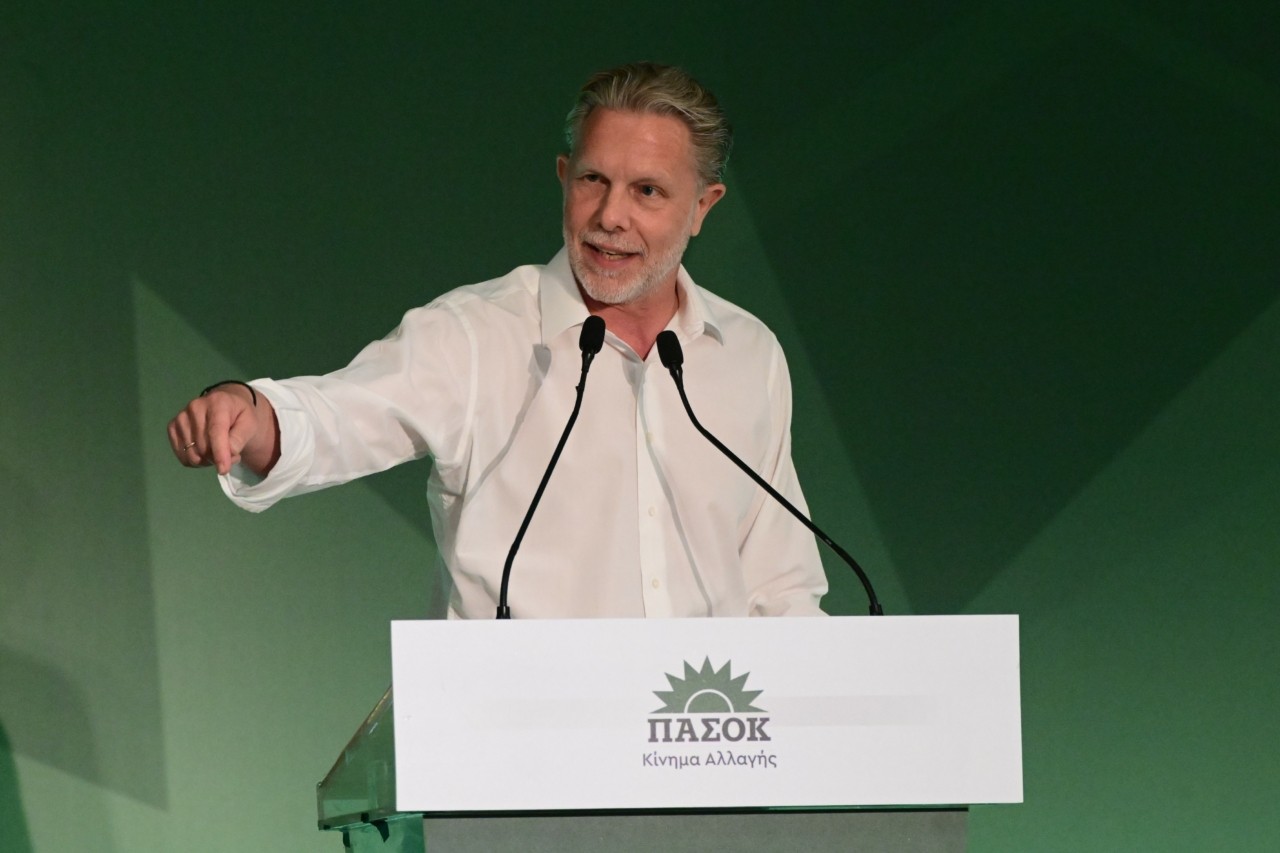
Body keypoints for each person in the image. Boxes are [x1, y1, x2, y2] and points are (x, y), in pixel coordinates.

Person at [167, 62, 828, 619]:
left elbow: (781, 585)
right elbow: (340, 417)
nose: (610, 216)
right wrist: (250, 412)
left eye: (647, 191)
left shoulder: (749, 354)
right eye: (593, 180)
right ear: (564, 175)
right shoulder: (477, 333)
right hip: (517, 727)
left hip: (702, 726)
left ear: (703, 206)